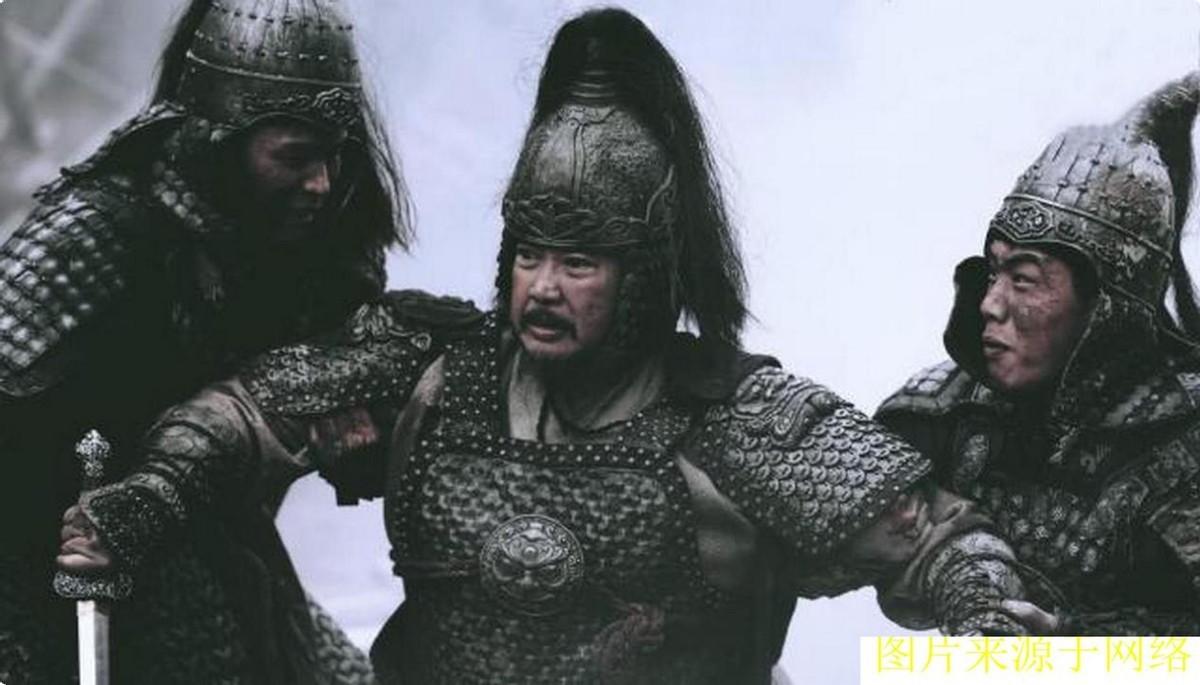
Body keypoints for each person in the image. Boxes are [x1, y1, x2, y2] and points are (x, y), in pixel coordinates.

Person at [59, 8, 1042, 683]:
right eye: (529, 253)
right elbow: (248, 411)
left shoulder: (741, 421)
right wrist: (158, 489)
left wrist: (987, 618)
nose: (541, 286)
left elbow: (940, 540)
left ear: (642, 276)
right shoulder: (430, 368)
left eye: (579, 261)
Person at [1, 0, 420, 682]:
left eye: (333, 155)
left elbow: (350, 401)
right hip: (42, 589)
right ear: (217, 139)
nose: (321, 182)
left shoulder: (298, 250)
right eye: (295, 156)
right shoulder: (95, 234)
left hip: (210, 557)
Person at [877, 72, 1200, 634]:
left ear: (1106, 307)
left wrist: (1074, 648)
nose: (990, 304)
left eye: (1023, 280)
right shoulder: (947, 412)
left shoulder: (1185, 438)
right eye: (993, 272)